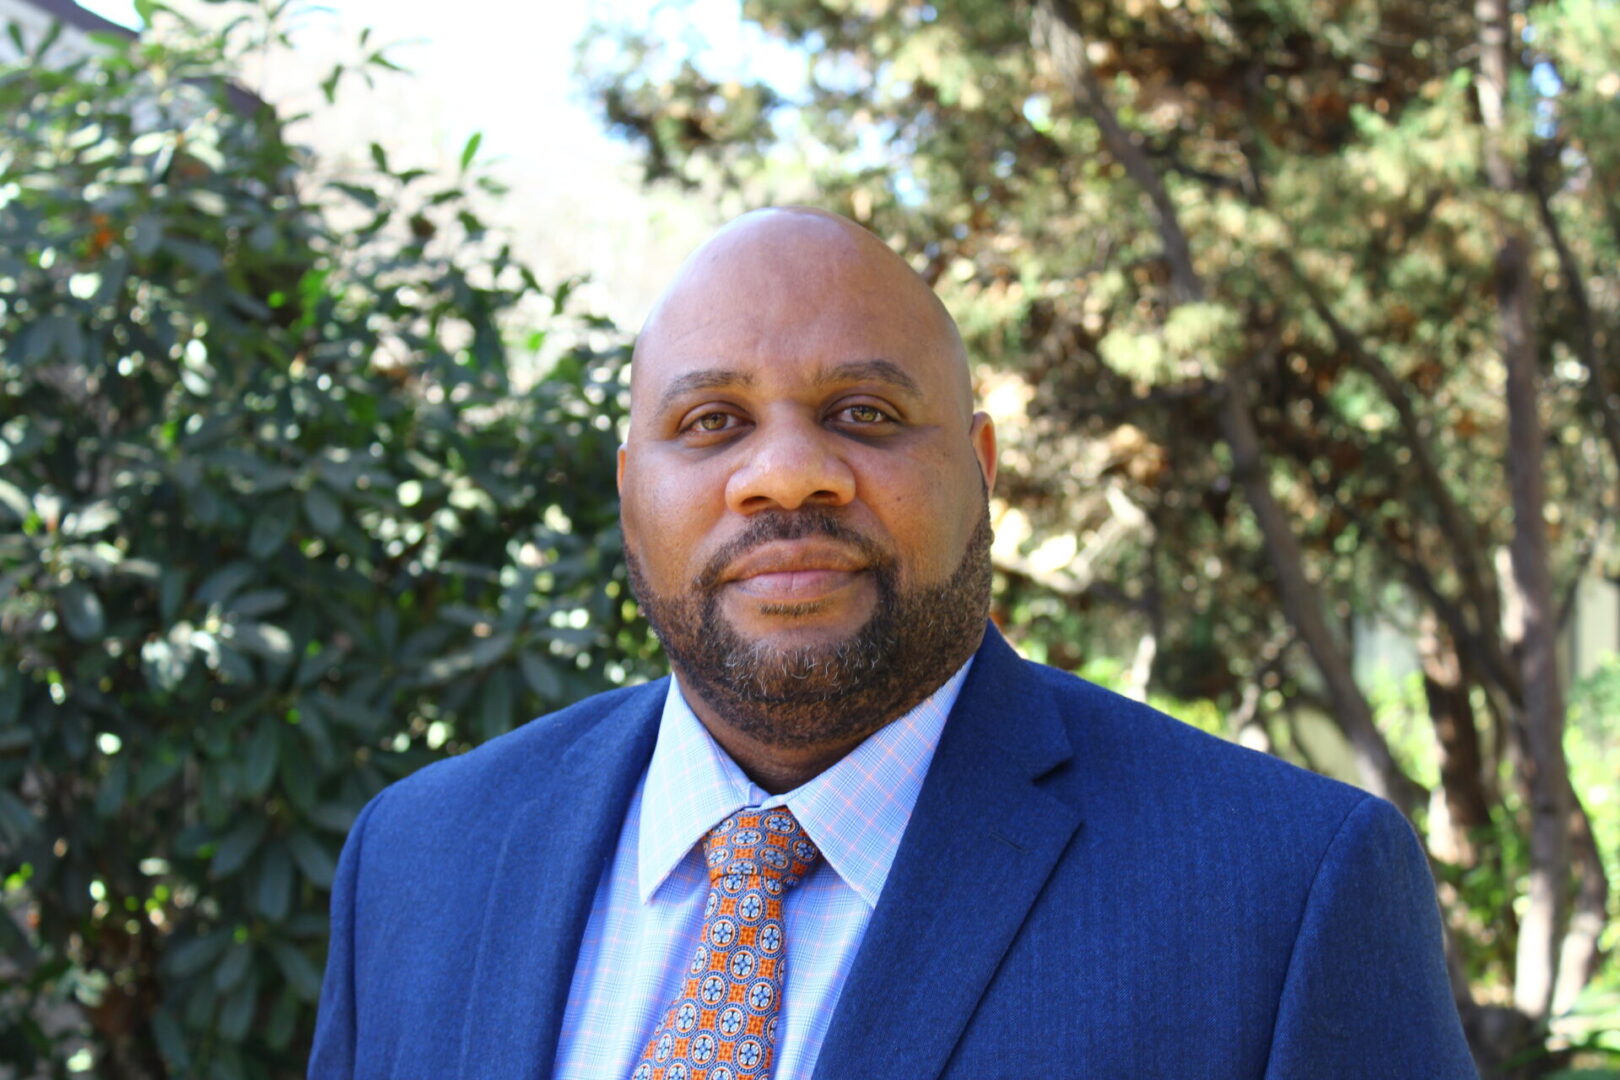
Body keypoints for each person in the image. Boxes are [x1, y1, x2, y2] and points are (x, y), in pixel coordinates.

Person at [308, 207, 1478, 1079]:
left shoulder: (1283, 896)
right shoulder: (419, 861)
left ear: (982, 473)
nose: (784, 476)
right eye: (710, 424)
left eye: (862, 415)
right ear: (630, 494)